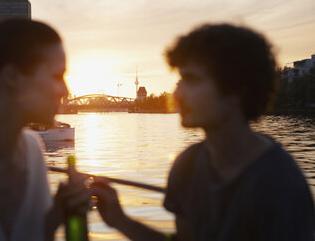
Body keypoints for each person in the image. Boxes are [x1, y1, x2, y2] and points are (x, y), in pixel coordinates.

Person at [91, 24, 315, 240]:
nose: (176, 93)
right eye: (179, 80)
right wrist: (118, 219)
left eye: (191, 80)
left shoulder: (280, 181)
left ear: (235, 90)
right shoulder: (186, 166)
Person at [0, 19, 90, 241]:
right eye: (57, 76)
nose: (66, 90)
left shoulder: (33, 150)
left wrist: (58, 215)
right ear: (12, 76)